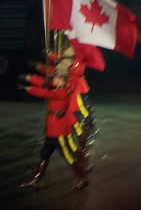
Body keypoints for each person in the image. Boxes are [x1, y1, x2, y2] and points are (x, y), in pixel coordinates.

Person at [18, 56, 89, 190]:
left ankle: (82, 178)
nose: (54, 79)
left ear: (62, 79)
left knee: (68, 156)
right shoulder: (58, 88)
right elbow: (44, 83)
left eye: (56, 78)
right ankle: (36, 181)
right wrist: (30, 79)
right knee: (44, 155)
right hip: (52, 131)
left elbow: (44, 92)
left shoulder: (62, 92)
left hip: (58, 132)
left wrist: (28, 88)